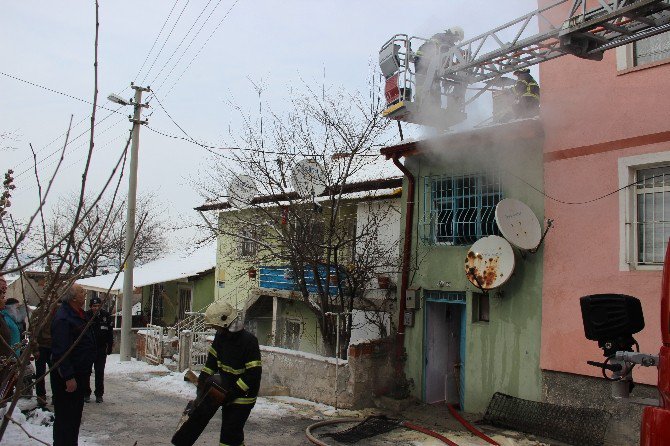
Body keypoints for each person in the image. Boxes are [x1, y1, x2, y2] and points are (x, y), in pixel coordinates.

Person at [197, 301, 261, 446]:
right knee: (233, 434)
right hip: (227, 393)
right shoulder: (220, 338)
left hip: (244, 396)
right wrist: (201, 389)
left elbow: (253, 375)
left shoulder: (249, 341)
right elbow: (210, 365)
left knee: (229, 433)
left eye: (215, 325)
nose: (214, 328)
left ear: (224, 322)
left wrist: (232, 393)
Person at [50, 284, 95, 446]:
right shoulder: (63, 318)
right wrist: (68, 376)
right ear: (74, 297)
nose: (85, 294)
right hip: (68, 378)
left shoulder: (78, 314)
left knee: (74, 418)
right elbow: (61, 351)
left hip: (80, 373)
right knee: (66, 420)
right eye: (82, 291)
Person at [85, 296, 113, 403]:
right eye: (94, 306)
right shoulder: (86, 316)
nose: (96, 308)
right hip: (88, 349)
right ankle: (86, 393)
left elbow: (109, 333)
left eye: (98, 306)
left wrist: (109, 346)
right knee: (86, 372)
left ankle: (99, 394)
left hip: (101, 349)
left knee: (99, 372)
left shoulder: (105, 316)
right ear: (91, 307)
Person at [35, 302, 58, 407]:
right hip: (41, 346)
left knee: (55, 373)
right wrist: (35, 349)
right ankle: (40, 396)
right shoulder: (39, 312)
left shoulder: (59, 311)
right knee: (40, 373)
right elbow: (32, 331)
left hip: (54, 347)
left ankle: (56, 396)